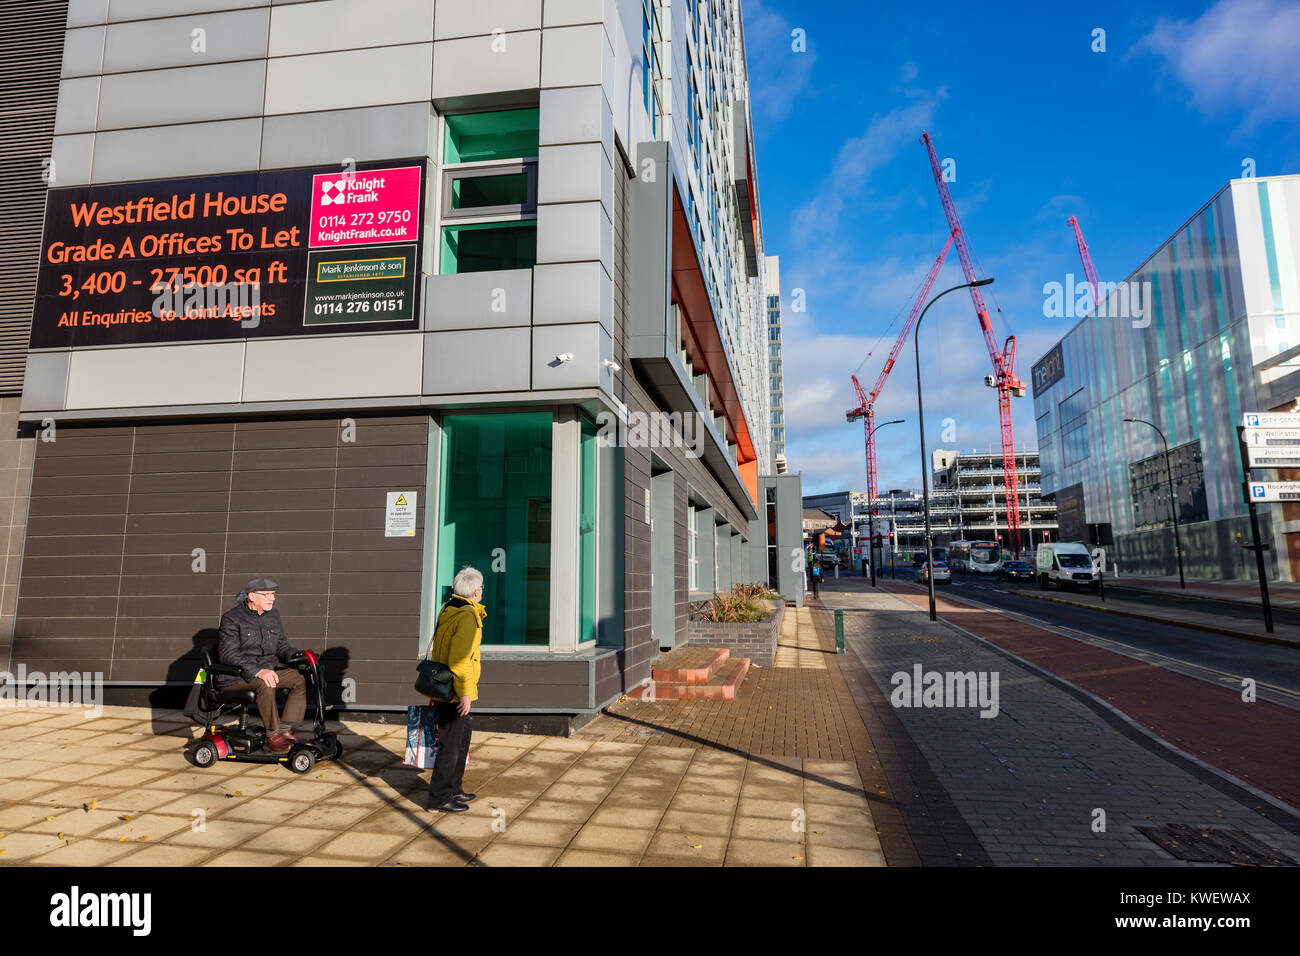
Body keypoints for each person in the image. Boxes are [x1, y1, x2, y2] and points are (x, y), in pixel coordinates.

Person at [216, 578, 305, 753]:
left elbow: (281, 645)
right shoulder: (231, 618)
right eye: (266, 595)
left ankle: (284, 729)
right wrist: (258, 671)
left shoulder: (273, 615)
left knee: (300, 678)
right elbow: (228, 653)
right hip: (236, 676)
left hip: (267, 671)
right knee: (265, 682)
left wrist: (298, 656)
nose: (272, 598)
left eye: (273, 594)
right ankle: (272, 735)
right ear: (251, 596)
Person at [426, 566, 486, 813]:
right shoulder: (467, 616)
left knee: (462, 736)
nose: (482, 591)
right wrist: (464, 694)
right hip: (454, 690)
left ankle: (454, 787)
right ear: (475, 591)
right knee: (450, 744)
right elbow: (460, 660)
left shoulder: (449, 608)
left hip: (444, 685)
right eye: (481, 587)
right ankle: (438, 798)